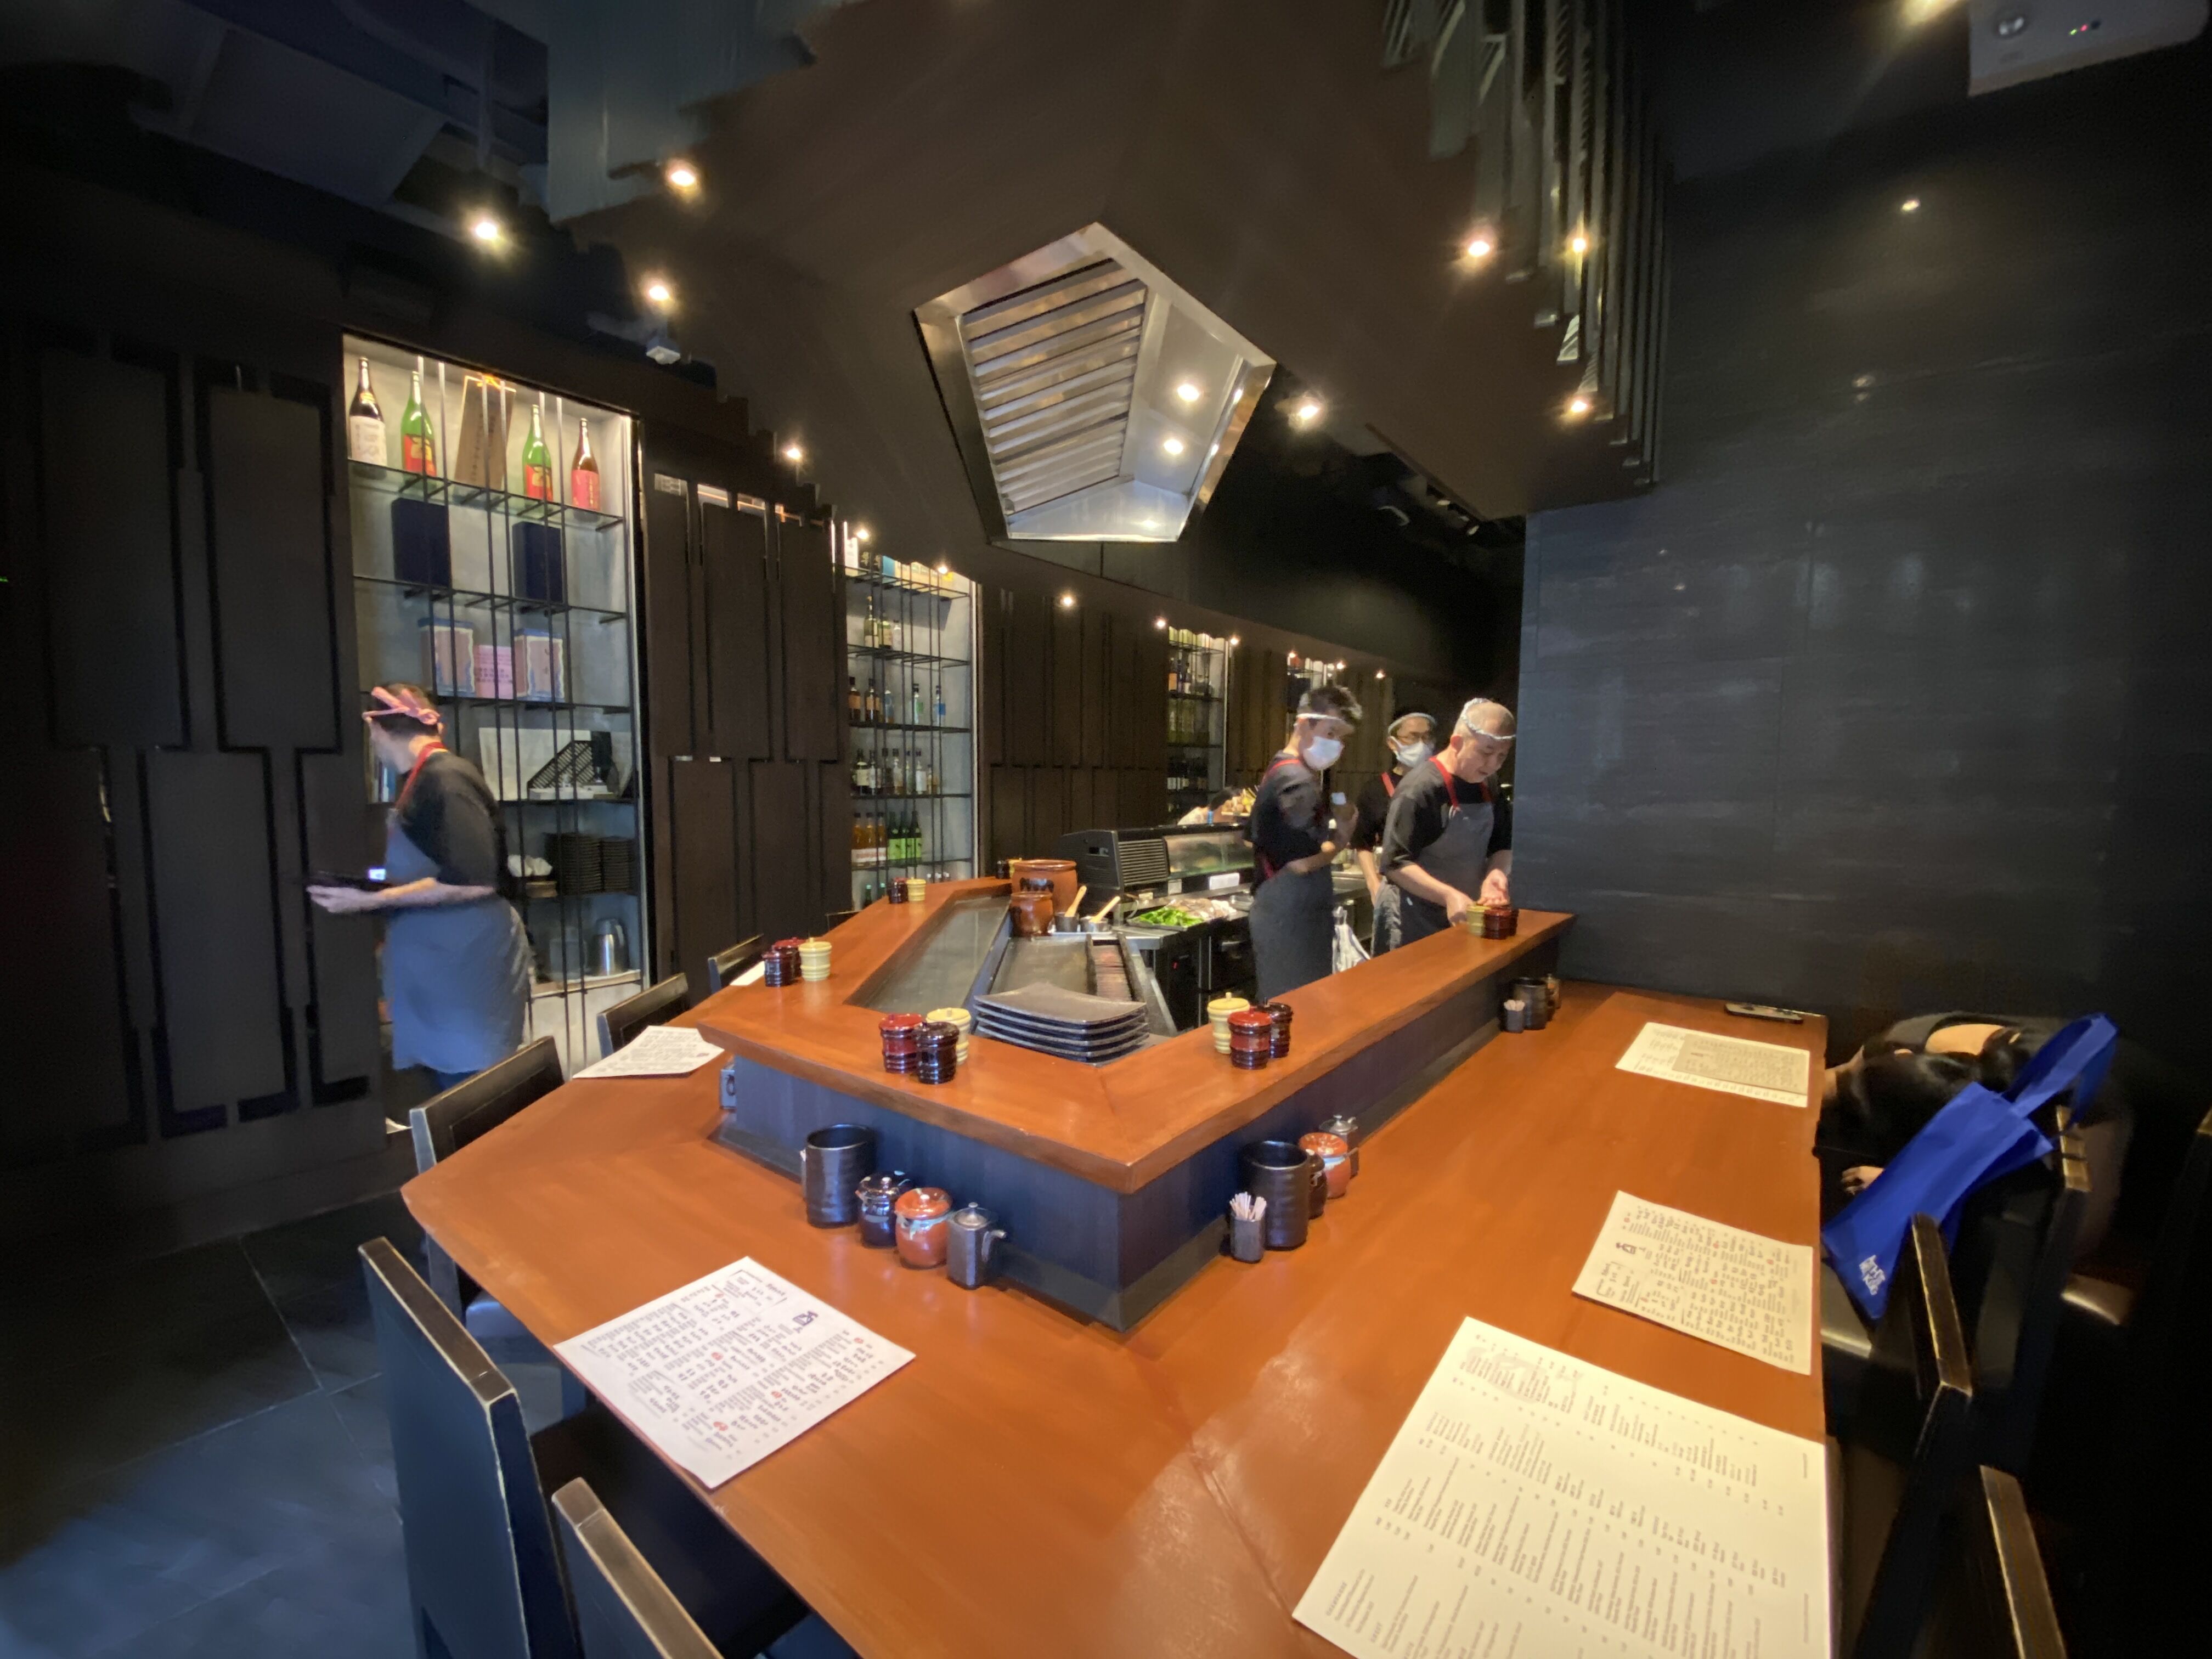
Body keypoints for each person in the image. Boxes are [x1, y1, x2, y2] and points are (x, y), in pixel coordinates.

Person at [308, 685, 531, 1091]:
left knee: (474, 1092)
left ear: (376, 730)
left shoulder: (444, 780)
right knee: (454, 1089)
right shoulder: (422, 778)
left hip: (465, 963)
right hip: (440, 964)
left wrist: (373, 899)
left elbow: (474, 880)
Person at [1246, 684, 1361, 1000]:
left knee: (1293, 1006)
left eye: (1341, 738)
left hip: (1285, 911)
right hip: (1290, 916)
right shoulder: (1297, 780)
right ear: (1303, 724)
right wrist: (1343, 837)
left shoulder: (1280, 768)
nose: (1336, 745)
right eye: (1331, 733)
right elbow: (1300, 863)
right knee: (1295, 1008)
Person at [1378, 697, 1515, 947]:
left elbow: (1502, 844)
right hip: (1413, 918)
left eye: (1502, 756)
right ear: (1457, 743)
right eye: (1486, 753)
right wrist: (1448, 896)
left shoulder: (1488, 783)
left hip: (1464, 913)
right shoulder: (1420, 789)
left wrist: (1495, 875)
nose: (1493, 765)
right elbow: (1395, 863)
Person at [1352, 710, 1437, 955]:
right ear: (1392, 743)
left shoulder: (1439, 784)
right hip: (1395, 890)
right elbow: (1362, 843)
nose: (1421, 744)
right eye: (1413, 737)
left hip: (1435, 888)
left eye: (1427, 737)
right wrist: (1373, 884)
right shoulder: (1375, 790)